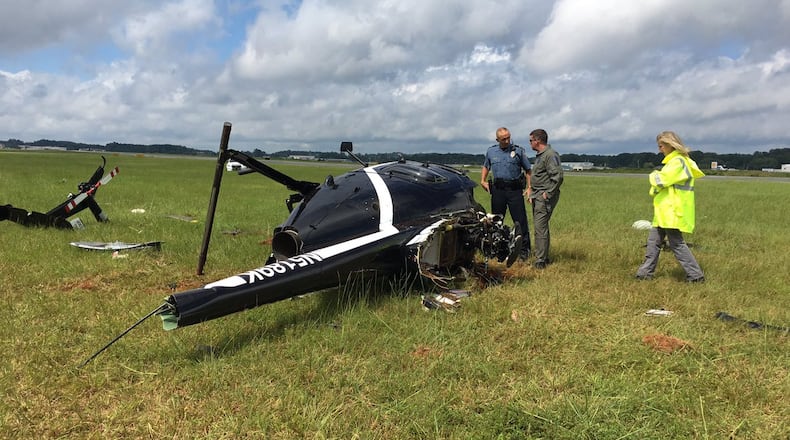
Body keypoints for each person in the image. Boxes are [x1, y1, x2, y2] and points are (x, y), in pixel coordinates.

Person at [636, 131, 705, 282]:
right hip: (664, 211)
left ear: (670, 145)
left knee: (677, 244)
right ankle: (644, 274)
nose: (659, 149)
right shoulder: (674, 162)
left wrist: (653, 175)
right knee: (653, 242)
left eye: (661, 146)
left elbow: (661, 180)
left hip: (672, 211)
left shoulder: (678, 162)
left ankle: (696, 276)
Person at [481, 127, 532, 259]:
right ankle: (496, 249)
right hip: (498, 190)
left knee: (520, 221)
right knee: (496, 221)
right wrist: (482, 180)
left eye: (508, 137)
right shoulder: (491, 151)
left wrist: (529, 187)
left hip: (514, 190)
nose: (507, 141)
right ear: (497, 140)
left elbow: (528, 170)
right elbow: (486, 166)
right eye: (504, 139)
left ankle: (524, 251)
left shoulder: (518, 151)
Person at [527, 129, 563, 269]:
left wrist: (547, 194)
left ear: (538, 140)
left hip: (544, 197)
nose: (530, 143)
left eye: (531, 140)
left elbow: (558, 176)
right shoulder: (541, 155)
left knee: (540, 228)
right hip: (537, 195)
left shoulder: (550, 155)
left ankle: (540, 260)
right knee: (540, 227)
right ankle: (543, 256)